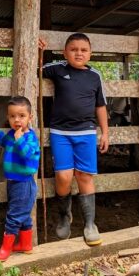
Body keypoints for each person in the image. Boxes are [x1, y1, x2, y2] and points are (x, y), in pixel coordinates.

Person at [38, 33, 109, 246]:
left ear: (90, 54)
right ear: (65, 52)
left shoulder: (95, 76)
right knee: (63, 176)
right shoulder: (58, 69)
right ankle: (64, 215)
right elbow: (35, 69)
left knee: (85, 176)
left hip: (86, 132)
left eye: (83, 50)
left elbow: (101, 106)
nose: (78, 53)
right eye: (73, 49)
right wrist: (38, 52)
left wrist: (105, 132)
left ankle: (90, 223)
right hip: (60, 133)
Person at [0, 96, 40, 261]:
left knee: (14, 215)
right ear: (8, 118)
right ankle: (26, 245)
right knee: (24, 215)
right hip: (14, 182)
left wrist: (20, 140)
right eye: (13, 116)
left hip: (24, 183)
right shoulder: (13, 135)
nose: (17, 120)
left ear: (30, 117)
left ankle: (6, 249)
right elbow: (4, 141)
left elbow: (29, 156)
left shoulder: (29, 138)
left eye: (22, 116)